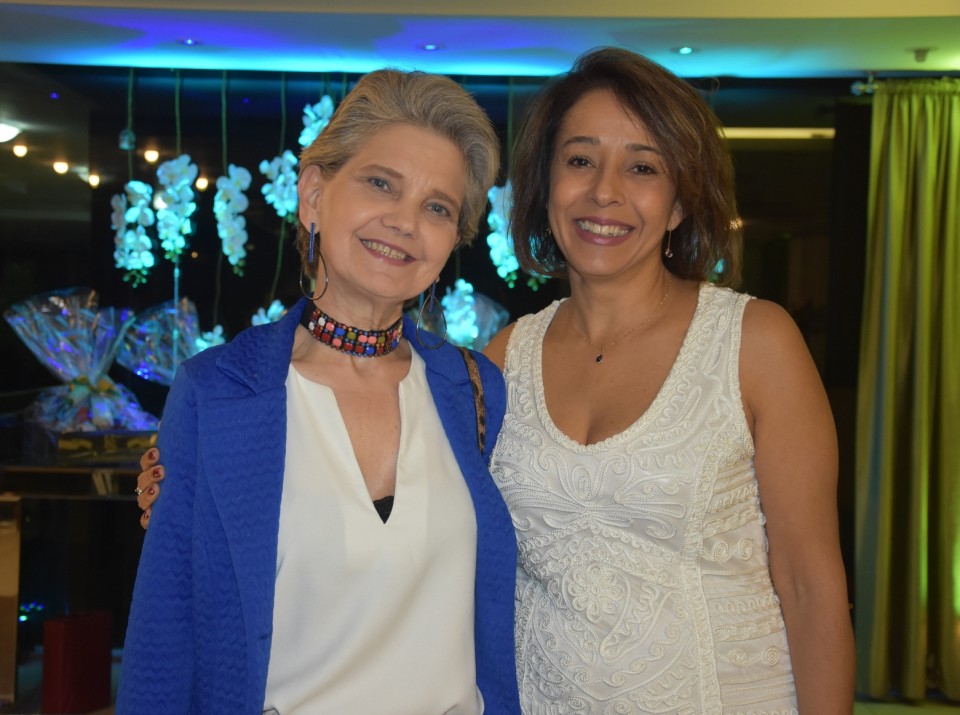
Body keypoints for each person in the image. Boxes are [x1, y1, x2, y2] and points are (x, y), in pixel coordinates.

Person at [136, 47, 856, 713]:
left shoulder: (482, 383)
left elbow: (812, 584)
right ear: (313, 195)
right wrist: (184, 487)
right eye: (580, 160)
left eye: (642, 168)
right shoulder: (499, 364)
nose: (604, 192)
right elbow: (179, 624)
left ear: (679, 202)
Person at [117, 68, 521, 715]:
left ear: (452, 240)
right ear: (313, 195)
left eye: (437, 207)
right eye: (380, 183)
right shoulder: (217, 394)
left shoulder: (473, 390)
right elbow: (164, 638)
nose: (404, 221)